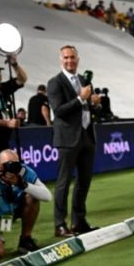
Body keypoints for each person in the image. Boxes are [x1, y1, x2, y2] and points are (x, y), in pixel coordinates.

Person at [47, 45, 100, 237]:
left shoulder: (84, 80)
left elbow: (89, 109)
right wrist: (80, 99)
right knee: (63, 182)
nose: (69, 60)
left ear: (78, 60)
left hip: (86, 136)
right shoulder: (55, 82)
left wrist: (95, 103)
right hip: (67, 138)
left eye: (72, 57)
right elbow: (58, 110)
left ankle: (79, 222)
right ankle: (60, 225)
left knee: (84, 181)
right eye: (66, 57)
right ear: (61, 60)